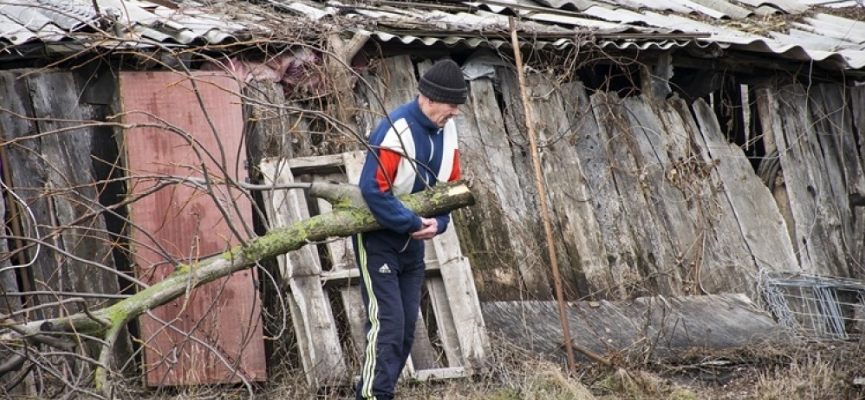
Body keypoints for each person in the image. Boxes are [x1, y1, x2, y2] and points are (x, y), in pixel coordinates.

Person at [353, 59, 466, 400]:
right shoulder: (396, 128)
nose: (456, 112)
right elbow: (372, 188)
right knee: (387, 329)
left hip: (414, 246)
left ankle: (371, 392)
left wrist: (439, 223)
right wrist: (411, 223)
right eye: (452, 104)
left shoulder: (447, 131)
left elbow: (451, 187)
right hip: (380, 242)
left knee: (404, 334)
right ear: (429, 98)